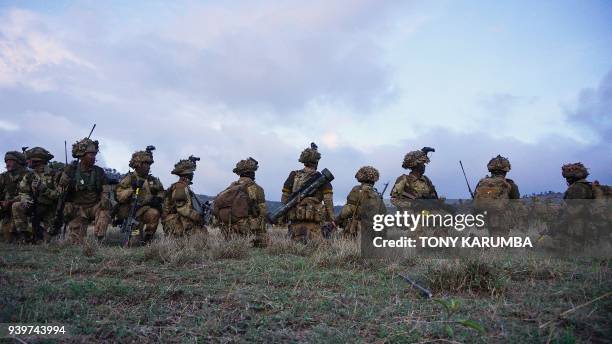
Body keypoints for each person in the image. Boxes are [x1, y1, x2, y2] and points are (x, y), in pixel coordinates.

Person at [57, 138, 111, 243]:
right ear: (82, 155)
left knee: (105, 209)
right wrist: (66, 180)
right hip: (77, 209)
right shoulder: (71, 171)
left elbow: (105, 190)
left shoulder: (99, 172)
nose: (93, 157)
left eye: (94, 154)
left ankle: (99, 239)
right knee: (76, 242)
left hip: (94, 207)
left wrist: (105, 201)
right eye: (90, 154)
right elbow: (61, 190)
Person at [281, 143, 334, 242]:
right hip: (314, 228)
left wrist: (283, 217)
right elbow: (328, 203)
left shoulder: (293, 175)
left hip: (295, 226)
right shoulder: (322, 179)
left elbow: (284, 199)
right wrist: (332, 221)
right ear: (316, 162)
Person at [213, 157, 268, 247]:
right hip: (247, 230)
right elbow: (263, 213)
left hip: (228, 230)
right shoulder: (257, 188)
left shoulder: (231, 187)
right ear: (251, 173)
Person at [115, 147, 164, 245]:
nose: (149, 167)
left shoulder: (153, 180)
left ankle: (148, 240)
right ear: (138, 165)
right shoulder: (129, 178)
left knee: (154, 213)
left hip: (145, 211)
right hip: (131, 213)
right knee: (133, 243)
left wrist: (157, 199)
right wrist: (131, 189)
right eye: (146, 164)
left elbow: (162, 193)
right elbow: (119, 196)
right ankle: (135, 236)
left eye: (149, 164)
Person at [12, 147, 59, 243]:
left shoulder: (54, 174)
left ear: (37, 161)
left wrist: (44, 189)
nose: (27, 162)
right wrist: (25, 199)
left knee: (49, 240)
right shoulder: (29, 175)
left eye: (29, 160)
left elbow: (59, 195)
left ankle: (42, 233)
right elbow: (23, 191)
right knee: (17, 205)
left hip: (50, 209)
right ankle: (24, 236)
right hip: (34, 207)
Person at [473, 155, 520, 236]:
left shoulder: (482, 183)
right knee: (500, 242)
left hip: (485, 217)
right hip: (503, 219)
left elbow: (475, 199)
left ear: (491, 170)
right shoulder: (510, 185)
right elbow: (516, 202)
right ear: (506, 171)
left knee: (492, 237)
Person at [335, 166, 387, 239]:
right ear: (374, 180)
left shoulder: (355, 190)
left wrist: (337, 220)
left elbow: (346, 211)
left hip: (352, 229)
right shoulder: (375, 194)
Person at [162, 157, 207, 237]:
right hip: (174, 222)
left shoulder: (184, 186)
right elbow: (182, 209)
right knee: (201, 235)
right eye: (191, 172)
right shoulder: (180, 187)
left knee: (203, 232)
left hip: (178, 220)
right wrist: (199, 218)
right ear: (187, 173)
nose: (193, 174)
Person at [0, 151, 28, 242]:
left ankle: (22, 237)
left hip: (23, 210)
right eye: (6, 161)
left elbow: (27, 195)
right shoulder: (3, 177)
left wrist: (10, 201)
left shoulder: (28, 175)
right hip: (6, 211)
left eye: (10, 161)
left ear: (18, 162)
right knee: (6, 237)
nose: (7, 163)